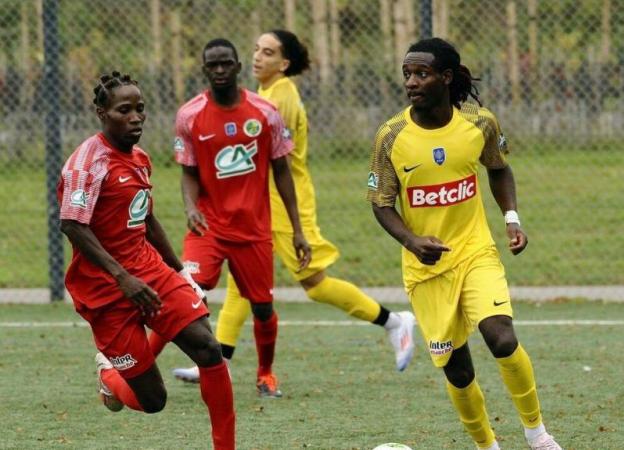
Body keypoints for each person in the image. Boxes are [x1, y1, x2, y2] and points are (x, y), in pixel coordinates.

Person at [171, 30, 417, 388]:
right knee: (242, 284)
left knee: (314, 284)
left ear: (283, 64)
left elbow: (270, 159)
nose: (258, 57)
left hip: (282, 205)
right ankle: (218, 357)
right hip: (253, 205)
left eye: (268, 52)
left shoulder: (278, 98)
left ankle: (395, 322)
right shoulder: (266, 94)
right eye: (255, 49)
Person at [367, 38, 562, 450]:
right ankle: (487, 446)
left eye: (422, 73)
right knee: (458, 371)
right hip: (426, 271)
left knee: (502, 339)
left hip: (475, 252)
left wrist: (512, 218)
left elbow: (499, 168)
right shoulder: (390, 136)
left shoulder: (480, 122)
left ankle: (538, 435)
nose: (412, 82)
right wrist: (411, 239)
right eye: (407, 74)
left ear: (447, 77)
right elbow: (381, 203)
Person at [58, 72, 234, 449]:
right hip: (104, 289)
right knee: (154, 401)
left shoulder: (139, 157)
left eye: (140, 109)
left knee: (209, 349)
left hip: (149, 271)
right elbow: (72, 224)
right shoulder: (87, 164)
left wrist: (179, 271)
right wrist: (122, 278)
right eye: (125, 110)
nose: (136, 117)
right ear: (101, 113)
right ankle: (111, 378)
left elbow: (146, 217)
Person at [147, 38, 311, 398]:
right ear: (205, 70)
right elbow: (188, 171)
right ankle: (140, 368)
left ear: (237, 67)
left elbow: (282, 170)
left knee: (263, 308)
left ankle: (266, 374)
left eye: (226, 64)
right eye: (213, 65)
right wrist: (191, 208)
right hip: (208, 227)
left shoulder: (265, 113)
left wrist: (298, 230)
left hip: (253, 230)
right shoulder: (189, 115)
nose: (220, 70)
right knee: (184, 294)